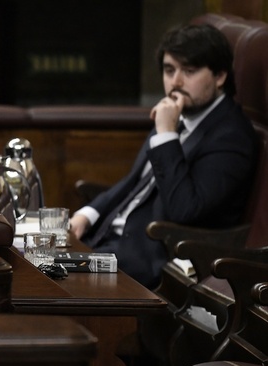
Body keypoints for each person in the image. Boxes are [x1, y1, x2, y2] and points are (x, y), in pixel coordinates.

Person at [69, 23, 258, 289]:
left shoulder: (231, 137)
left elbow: (185, 210)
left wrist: (166, 134)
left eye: (189, 71)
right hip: (107, 242)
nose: (176, 82)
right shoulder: (178, 114)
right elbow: (136, 181)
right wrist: (86, 215)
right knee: (27, 251)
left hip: (150, 260)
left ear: (220, 76)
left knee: (48, 267)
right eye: (170, 71)